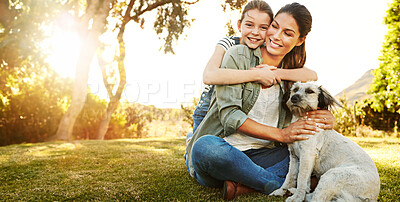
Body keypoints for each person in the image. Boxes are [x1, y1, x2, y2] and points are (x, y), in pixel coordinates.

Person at [185, 1, 335, 200]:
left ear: (300, 40)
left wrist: (327, 118)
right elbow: (230, 117)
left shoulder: (293, 75)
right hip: (226, 149)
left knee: (318, 154)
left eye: (288, 33)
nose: (276, 36)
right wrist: (281, 134)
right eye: (274, 26)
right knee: (205, 148)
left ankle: (247, 185)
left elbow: (312, 85)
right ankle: (276, 183)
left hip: (264, 155)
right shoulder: (237, 53)